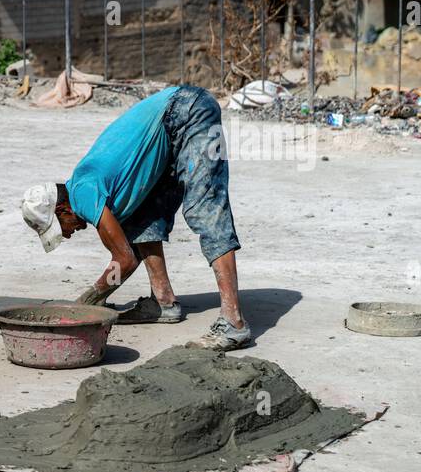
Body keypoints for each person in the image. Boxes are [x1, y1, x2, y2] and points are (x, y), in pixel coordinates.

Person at [21, 85, 251, 351]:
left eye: (62, 229)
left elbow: (125, 260)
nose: (69, 234)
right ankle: (163, 303)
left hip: (186, 110)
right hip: (170, 127)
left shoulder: (82, 192)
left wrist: (89, 300)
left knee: (206, 207)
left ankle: (233, 322)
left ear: (62, 210)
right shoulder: (90, 187)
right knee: (137, 216)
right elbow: (127, 254)